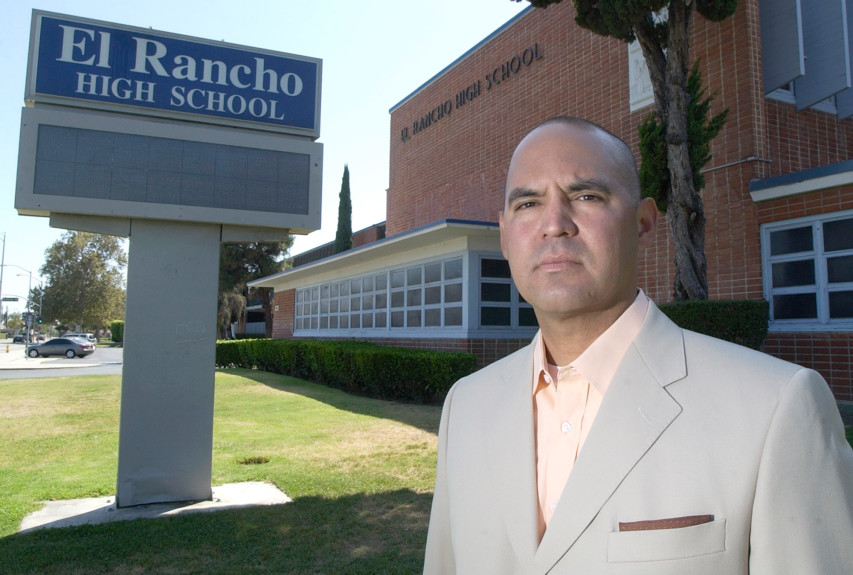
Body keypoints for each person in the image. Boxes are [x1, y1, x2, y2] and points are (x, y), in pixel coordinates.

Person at [423, 117, 853, 574]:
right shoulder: (465, 407)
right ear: (506, 237)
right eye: (528, 203)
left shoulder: (776, 408)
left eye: (586, 196)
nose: (554, 224)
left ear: (644, 223)